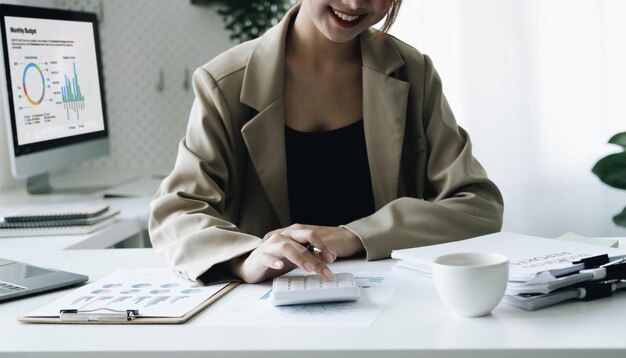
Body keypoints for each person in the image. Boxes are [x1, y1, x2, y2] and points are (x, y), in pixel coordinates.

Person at [149, 0, 504, 284]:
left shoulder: (414, 72)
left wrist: (354, 235)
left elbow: (478, 204)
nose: (355, 3)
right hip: (267, 314)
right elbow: (176, 211)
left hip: (396, 302)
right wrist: (245, 258)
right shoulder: (223, 83)